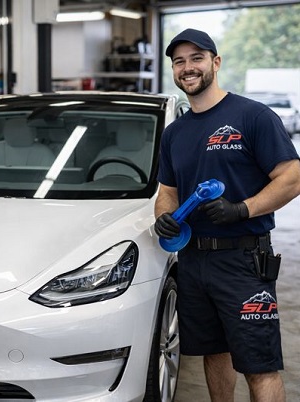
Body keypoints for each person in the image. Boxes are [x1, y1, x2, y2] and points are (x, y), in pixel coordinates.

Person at [154, 28, 300, 402]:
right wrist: (165, 217)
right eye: (179, 61)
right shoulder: (174, 133)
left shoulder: (252, 116)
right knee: (214, 353)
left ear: (216, 63)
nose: (188, 68)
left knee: (258, 364)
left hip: (243, 261)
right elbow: (168, 192)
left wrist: (242, 209)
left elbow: (292, 177)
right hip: (193, 261)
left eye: (196, 58)